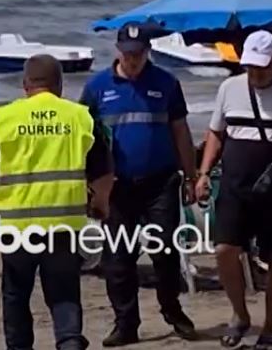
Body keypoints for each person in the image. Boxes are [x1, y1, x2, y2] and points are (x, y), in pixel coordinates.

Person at [0, 55, 115, 350]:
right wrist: (101, 204)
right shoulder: (80, 117)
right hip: (64, 225)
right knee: (64, 293)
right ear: (60, 85)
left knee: (16, 294)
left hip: (16, 227)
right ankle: (69, 343)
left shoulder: (6, 118)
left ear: (25, 84)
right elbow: (104, 171)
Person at [196, 31, 272, 350]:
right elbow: (215, 133)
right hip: (236, 184)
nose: (256, 73)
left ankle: (270, 329)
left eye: (262, 67)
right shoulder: (229, 88)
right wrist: (203, 173)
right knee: (224, 250)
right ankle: (239, 314)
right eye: (250, 66)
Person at [80, 23, 198, 347]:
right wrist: (87, 183)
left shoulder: (167, 83)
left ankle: (172, 310)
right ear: (118, 51)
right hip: (117, 187)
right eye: (128, 53)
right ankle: (126, 323)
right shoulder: (97, 88)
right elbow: (83, 139)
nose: (133, 60)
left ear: (148, 51)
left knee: (165, 252)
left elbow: (180, 132)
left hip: (160, 182)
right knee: (118, 259)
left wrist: (191, 176)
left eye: (139, 53)